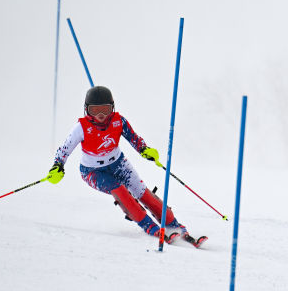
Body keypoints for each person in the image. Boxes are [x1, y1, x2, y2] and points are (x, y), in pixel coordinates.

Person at [44, 85, 192, 242]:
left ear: (112, 108)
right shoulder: (81, 127)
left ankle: (173, 224)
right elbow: (64, 150)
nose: (101, 115)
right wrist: (57, 166)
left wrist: (144, 150)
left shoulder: (118, 121)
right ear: (86, 110)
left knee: (143, 193)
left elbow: (134, 139)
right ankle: (150, 226)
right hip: (92, 171)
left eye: (105, 109)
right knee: (120, 190)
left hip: (118, 164)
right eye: (95, 110)